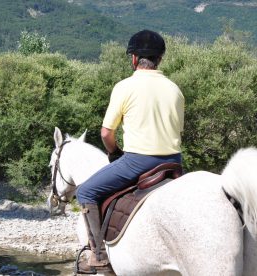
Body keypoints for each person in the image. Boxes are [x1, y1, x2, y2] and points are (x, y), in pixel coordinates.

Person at [74, 30, 184, 273]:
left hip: (138, 162)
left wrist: (114, 153)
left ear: (134, 59)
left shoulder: (125, 86)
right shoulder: (175, 89)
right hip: (175, 163)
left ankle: (98, 256)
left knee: (86, 192)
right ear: (160, 59)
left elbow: (106, 133)